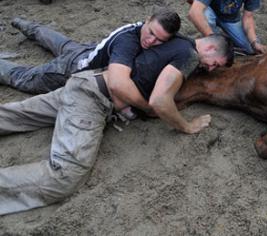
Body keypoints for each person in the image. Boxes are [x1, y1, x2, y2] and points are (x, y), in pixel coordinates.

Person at [0, 33, 234, 215]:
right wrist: (187, 126)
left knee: (17, 115)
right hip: (93, 99)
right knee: (65, 177)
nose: (210, 69)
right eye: (215, 64)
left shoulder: (177, 40)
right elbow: (160, 101)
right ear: (211, 47)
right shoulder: (189, 55)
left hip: (87, 82)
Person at [0, 8, 179, 97]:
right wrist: (146, 107)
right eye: (151, 33)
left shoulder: (142, 27)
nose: (151, 41)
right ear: (148, 20)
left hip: (87, 50)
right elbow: (117, 84)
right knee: (23, 77)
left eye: (160, 40)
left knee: (61, 43)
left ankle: (24, 24)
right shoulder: (127, 44)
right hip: (69, 70)